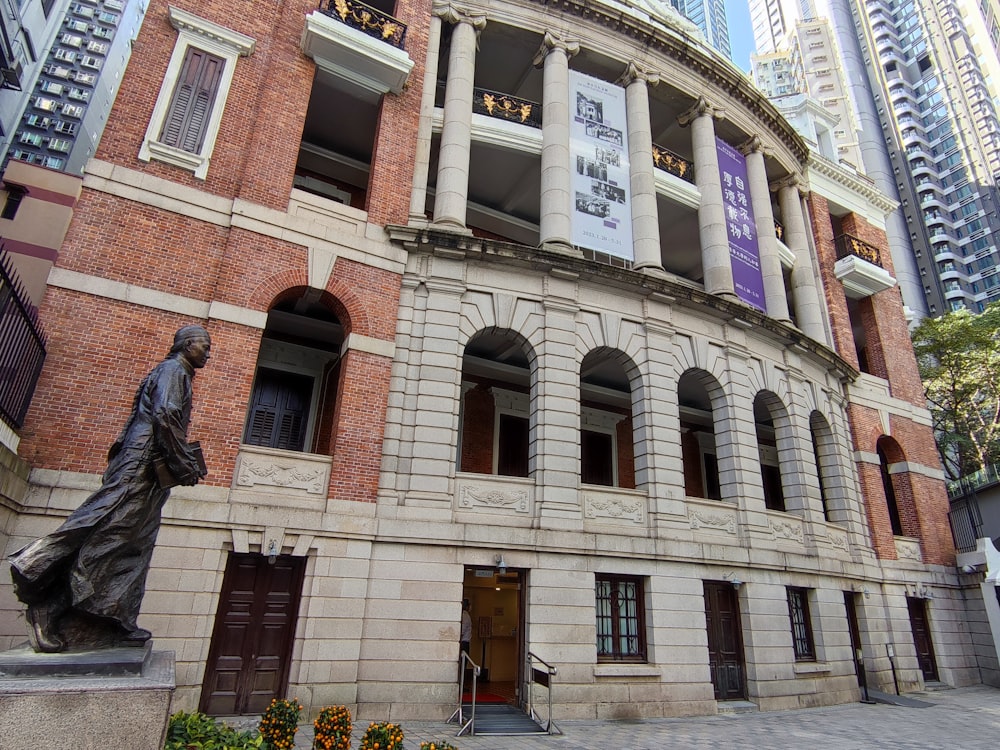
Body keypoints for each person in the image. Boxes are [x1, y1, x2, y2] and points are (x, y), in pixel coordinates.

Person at [8, 325, 211, 653]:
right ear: (187, 345)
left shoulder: (177, 373)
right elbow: (165, 416)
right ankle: (49, 604)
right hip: (141, 465)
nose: (208, 352)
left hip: (147, 469)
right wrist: (182, 463)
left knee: (135, 542)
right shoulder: (174, 370)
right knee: (110, 536)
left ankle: (115, 620)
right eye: (204, 345)